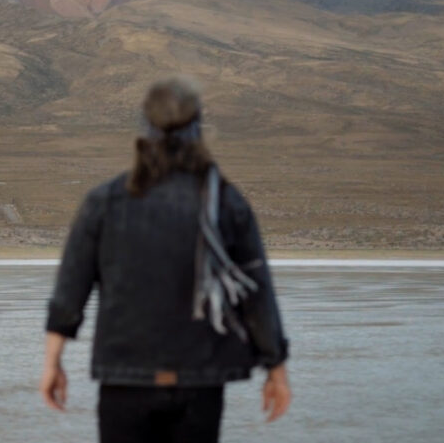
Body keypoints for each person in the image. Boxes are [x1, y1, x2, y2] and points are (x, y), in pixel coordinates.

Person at [39, 76, 291, 443]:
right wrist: (276, 370)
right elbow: (257, 292)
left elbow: (69, 292)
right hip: (200, 382)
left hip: (125, 379)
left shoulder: (105, 202)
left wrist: (51, 364)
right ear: (198, 126)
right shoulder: (226, 202)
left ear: (145, 127)